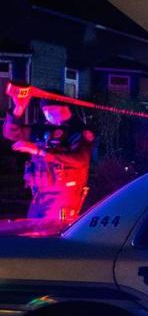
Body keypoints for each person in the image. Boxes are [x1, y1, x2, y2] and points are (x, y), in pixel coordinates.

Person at [3, 84, 95, 223]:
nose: (47, 114)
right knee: (33, 229)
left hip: (64, 193)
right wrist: (19, 108)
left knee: (51, 231)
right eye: (45, 110)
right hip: (40, 193)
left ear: (65, 108)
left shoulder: (77, 131)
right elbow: (10, 133)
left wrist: (39, 151)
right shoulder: (43, 128)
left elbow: (80, 160)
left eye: (51, 109)